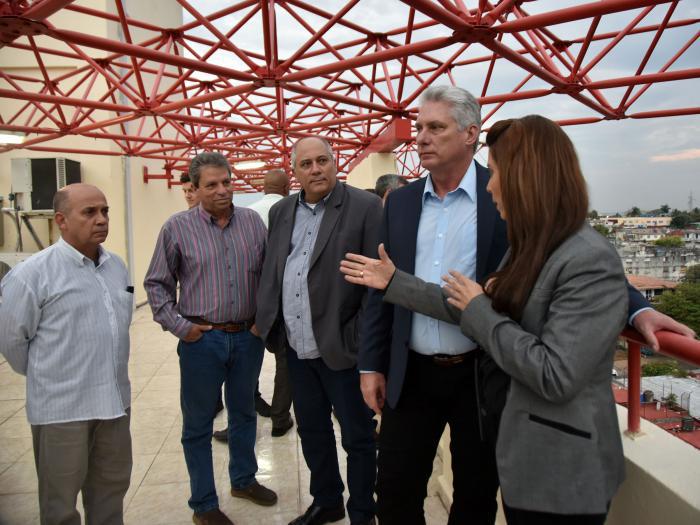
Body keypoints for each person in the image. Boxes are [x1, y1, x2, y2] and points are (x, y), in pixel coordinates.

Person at [351, 86, 693, 525]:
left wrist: (635, 307)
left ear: (470, 134)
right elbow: (410, 292)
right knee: (395, 490)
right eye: (419, 127)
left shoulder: (512, 207)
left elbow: (572, 260)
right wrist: (374, 355)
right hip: (413, 374)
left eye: (435, 127)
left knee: (475, 496)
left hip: (483, 379)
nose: (421, 138)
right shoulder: (401, 202)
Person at [144, 152, 277, 525]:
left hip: (247, 337)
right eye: (211, 185)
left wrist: (261, 323)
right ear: (195, 188)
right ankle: (203, 504)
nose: (222, 190)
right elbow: (156, 284)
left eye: (227, 182)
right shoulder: (177, 228)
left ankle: (244, 480)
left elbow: (270, 276)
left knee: (244, 413)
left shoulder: (252, 222)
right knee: (199, 424)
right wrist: (181, 328)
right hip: (202, 342)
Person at [255, 137, 382, 525]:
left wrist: (359, 340)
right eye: (306, 164)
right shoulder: (281, 211)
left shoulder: (365, 206)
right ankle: (327, 500)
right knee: (312, 430)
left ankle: (362, 511)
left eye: (322, 160)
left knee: (358, 437)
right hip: (296, 348)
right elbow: (275, 267)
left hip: (342, 348)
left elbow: (377, 283)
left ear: (334, 162)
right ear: (294, 171)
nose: (315, 169)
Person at [0, 183, 133, 525]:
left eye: (105, 211)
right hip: (62, 411)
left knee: (110, 493)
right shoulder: (32, 275)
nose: (101, 219)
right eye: (89, 212)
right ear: (61, 220)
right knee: (60, 504)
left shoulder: (116, 267)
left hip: (115, 405)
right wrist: (52, 374)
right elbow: (12, 342)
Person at [247, 168, 294, 438]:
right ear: (287, 188)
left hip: (251, 301)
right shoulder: (292, 211)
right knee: (284, 361)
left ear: (263, 187)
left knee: (246, 361)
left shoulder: (248, 214)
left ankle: (245, 412)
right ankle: (279, 418)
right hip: (283, 300)